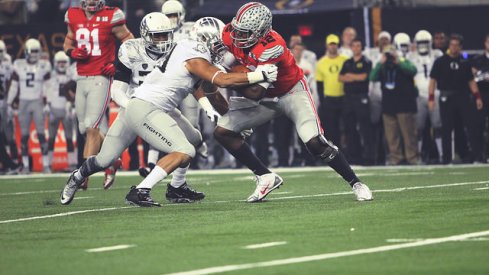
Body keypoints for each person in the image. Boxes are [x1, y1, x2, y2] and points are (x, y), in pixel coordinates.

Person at [60, 15, 278, 206]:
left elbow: (209, 90)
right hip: (145, 108)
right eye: (219, 44)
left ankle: (175, 187)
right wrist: (260, 75)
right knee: (182, 151)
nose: (222, 49)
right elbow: (222, 79)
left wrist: (231, 120)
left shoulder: (188, 50)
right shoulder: (194, 54)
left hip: (153, 106)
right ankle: (139, 191)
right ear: (206, 40)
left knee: (192, 139)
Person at [214, 2, 372, 202]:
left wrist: (225, 76)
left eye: (245, 33)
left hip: (290, 93)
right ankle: (265, 176)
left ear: (261, 31)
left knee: (314, 143)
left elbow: (255, 92)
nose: (238, 36)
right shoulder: (230, 32)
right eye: (238, 30)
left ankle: (356, 183)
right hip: (267, 96)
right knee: (223, 132)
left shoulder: (272, 46)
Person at [63, 0, 134, 188]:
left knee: (92, 129)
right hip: (81, 78)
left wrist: (118, 64)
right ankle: (113, 160)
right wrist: (72, 51)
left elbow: (129, 40)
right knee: (84, 128)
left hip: (101, 77)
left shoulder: (112, 15)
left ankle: (83, 175)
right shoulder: (74, 14)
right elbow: (68, 40)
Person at [429, 34, 484, 163]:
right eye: (452, 45)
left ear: (460, 47)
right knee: (446, 128)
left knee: (468, 126)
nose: (454, 48)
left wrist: (477, 97)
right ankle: (446, 157)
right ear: (449, 46)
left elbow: (471, 81)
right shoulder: (440, 61)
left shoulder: (465, 63)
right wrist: (431, 98)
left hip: (463, 96)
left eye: (456, 45)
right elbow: (432, 81)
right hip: (446, 97)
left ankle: (472, 155)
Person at [7, 38, 51, 173]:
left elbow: (47, 86)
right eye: (32, 51)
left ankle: (45, 164)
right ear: (26, 51)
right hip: (23, 102)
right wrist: (9, 103)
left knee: (41, 134)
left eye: (36, 51)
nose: (33, 54)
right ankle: (26, 165)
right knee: (24, 136)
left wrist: (48, 102)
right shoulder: (18, 64)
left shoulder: (44, 65)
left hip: (37, 102)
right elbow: (14, 86)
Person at [370, 45, 419, 165]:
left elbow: (413, 70)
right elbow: (372, 77)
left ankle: (412, 158)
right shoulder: (382, 66)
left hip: (404, 104)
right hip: (388, 105)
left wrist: (398, 61)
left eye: (390, 54)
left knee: (408, 134)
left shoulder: (402, 61)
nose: (389, 57)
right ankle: (396, 158)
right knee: (391, 136)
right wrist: (380, 63)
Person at [407, 30, 444, 163]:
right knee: (419, 128)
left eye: (425, 42)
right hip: (418, 96)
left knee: (438, 126)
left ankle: (442, 154)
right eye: (420, 43)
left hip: (435, 94)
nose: (422, 45)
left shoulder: (437, 54)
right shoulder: (411, 56)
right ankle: (420, 155)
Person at [339, 38, 373, 165]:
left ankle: (369, 157)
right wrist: (355, 77)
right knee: (350, 128)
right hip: (348, 98)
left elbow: (364, 77)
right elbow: (340, 77)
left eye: (358, 46)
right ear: (351, 48)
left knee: (365, 128)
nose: (356, 48)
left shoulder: (366, 61)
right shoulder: (347, 62)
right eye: (354, 46)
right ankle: (354, 156)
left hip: (361, 97)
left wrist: (350, 76)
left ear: (361, 47)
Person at [45, 51, 77, 171]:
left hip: (66, 109)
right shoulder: (51, 75)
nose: (62, 65)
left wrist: (73, 106)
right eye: (60, 62)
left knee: (69, 138)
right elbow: (47, 91)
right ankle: (47, 164)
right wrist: (47, 105)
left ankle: (72, 163)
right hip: (54, 109)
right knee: (51, 138)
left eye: (64, 62)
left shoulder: (71, 75)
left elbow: (74, 92)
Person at [364, 31, 392, 165]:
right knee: (374, 126)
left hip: (389, 95)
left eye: (386, 40)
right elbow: (372, 75)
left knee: (390, 128)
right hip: (374, 94)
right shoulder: (371, 54)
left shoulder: (394, 55)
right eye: (382, 40)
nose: (384, 42)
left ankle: (389, 156)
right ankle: (376, 156)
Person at [316, 34, 348, 146]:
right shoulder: (321, 63)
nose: (333, 47)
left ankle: (348, 152)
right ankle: (336, 151)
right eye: (331, 44)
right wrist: (322, 101)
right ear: (327, 46)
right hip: (329, 99)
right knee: (332, 128)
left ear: (338, 45)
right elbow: (319, 84)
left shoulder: (345, 60)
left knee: (347, 127)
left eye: (334, 44)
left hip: (344, 98)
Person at [472, 34, 489, 161]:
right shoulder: (477, 60)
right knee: (479, 125)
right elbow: (473, 79)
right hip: (483, 95)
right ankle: (479, 155)